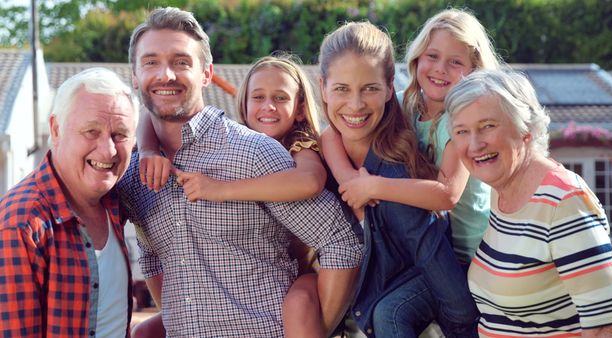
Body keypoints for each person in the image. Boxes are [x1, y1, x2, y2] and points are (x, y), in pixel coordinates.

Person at [118, 7, 362, 337]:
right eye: (150, 62)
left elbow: (340, 239)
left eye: (181, 62)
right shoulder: (132, 175)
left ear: (206, 74)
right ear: (134, 76)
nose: (166, 75)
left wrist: (317, 328)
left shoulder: (253, 153)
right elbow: (153, 258)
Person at [318, 21, 479, 337]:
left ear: (389, 87)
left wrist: (372, 189)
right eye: (342, 88)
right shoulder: (334, 138)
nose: (355, 104)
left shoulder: (448, 125)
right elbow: (353, 191)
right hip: (389, 276)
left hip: (465, 257)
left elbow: (445, 196)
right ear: (322, 86)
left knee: (390, 310)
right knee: (387, 312)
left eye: (370, 88)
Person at [446, 69, 612, 337]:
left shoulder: (564, 201)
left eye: (487, 126)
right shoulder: (499, 191)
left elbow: (606, 327)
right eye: (462, 131)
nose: (475, 144)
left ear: (525, 130)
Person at [322, 8, 503, 268]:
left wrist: (372, 186)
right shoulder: (405, 105)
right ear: (418, 58)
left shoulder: (462, 121)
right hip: (425, 247)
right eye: (432, 56)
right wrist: (348, 180)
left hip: (471, 254)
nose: (440, 69)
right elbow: (331, 133)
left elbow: (447, 195)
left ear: (474, 71)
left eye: (455, 62)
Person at [0, 67, 138, 337]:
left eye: (120, 135)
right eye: (91, 131)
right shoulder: (20, 224)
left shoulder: (116, 203)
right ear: (56, 129)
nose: (108, 149)